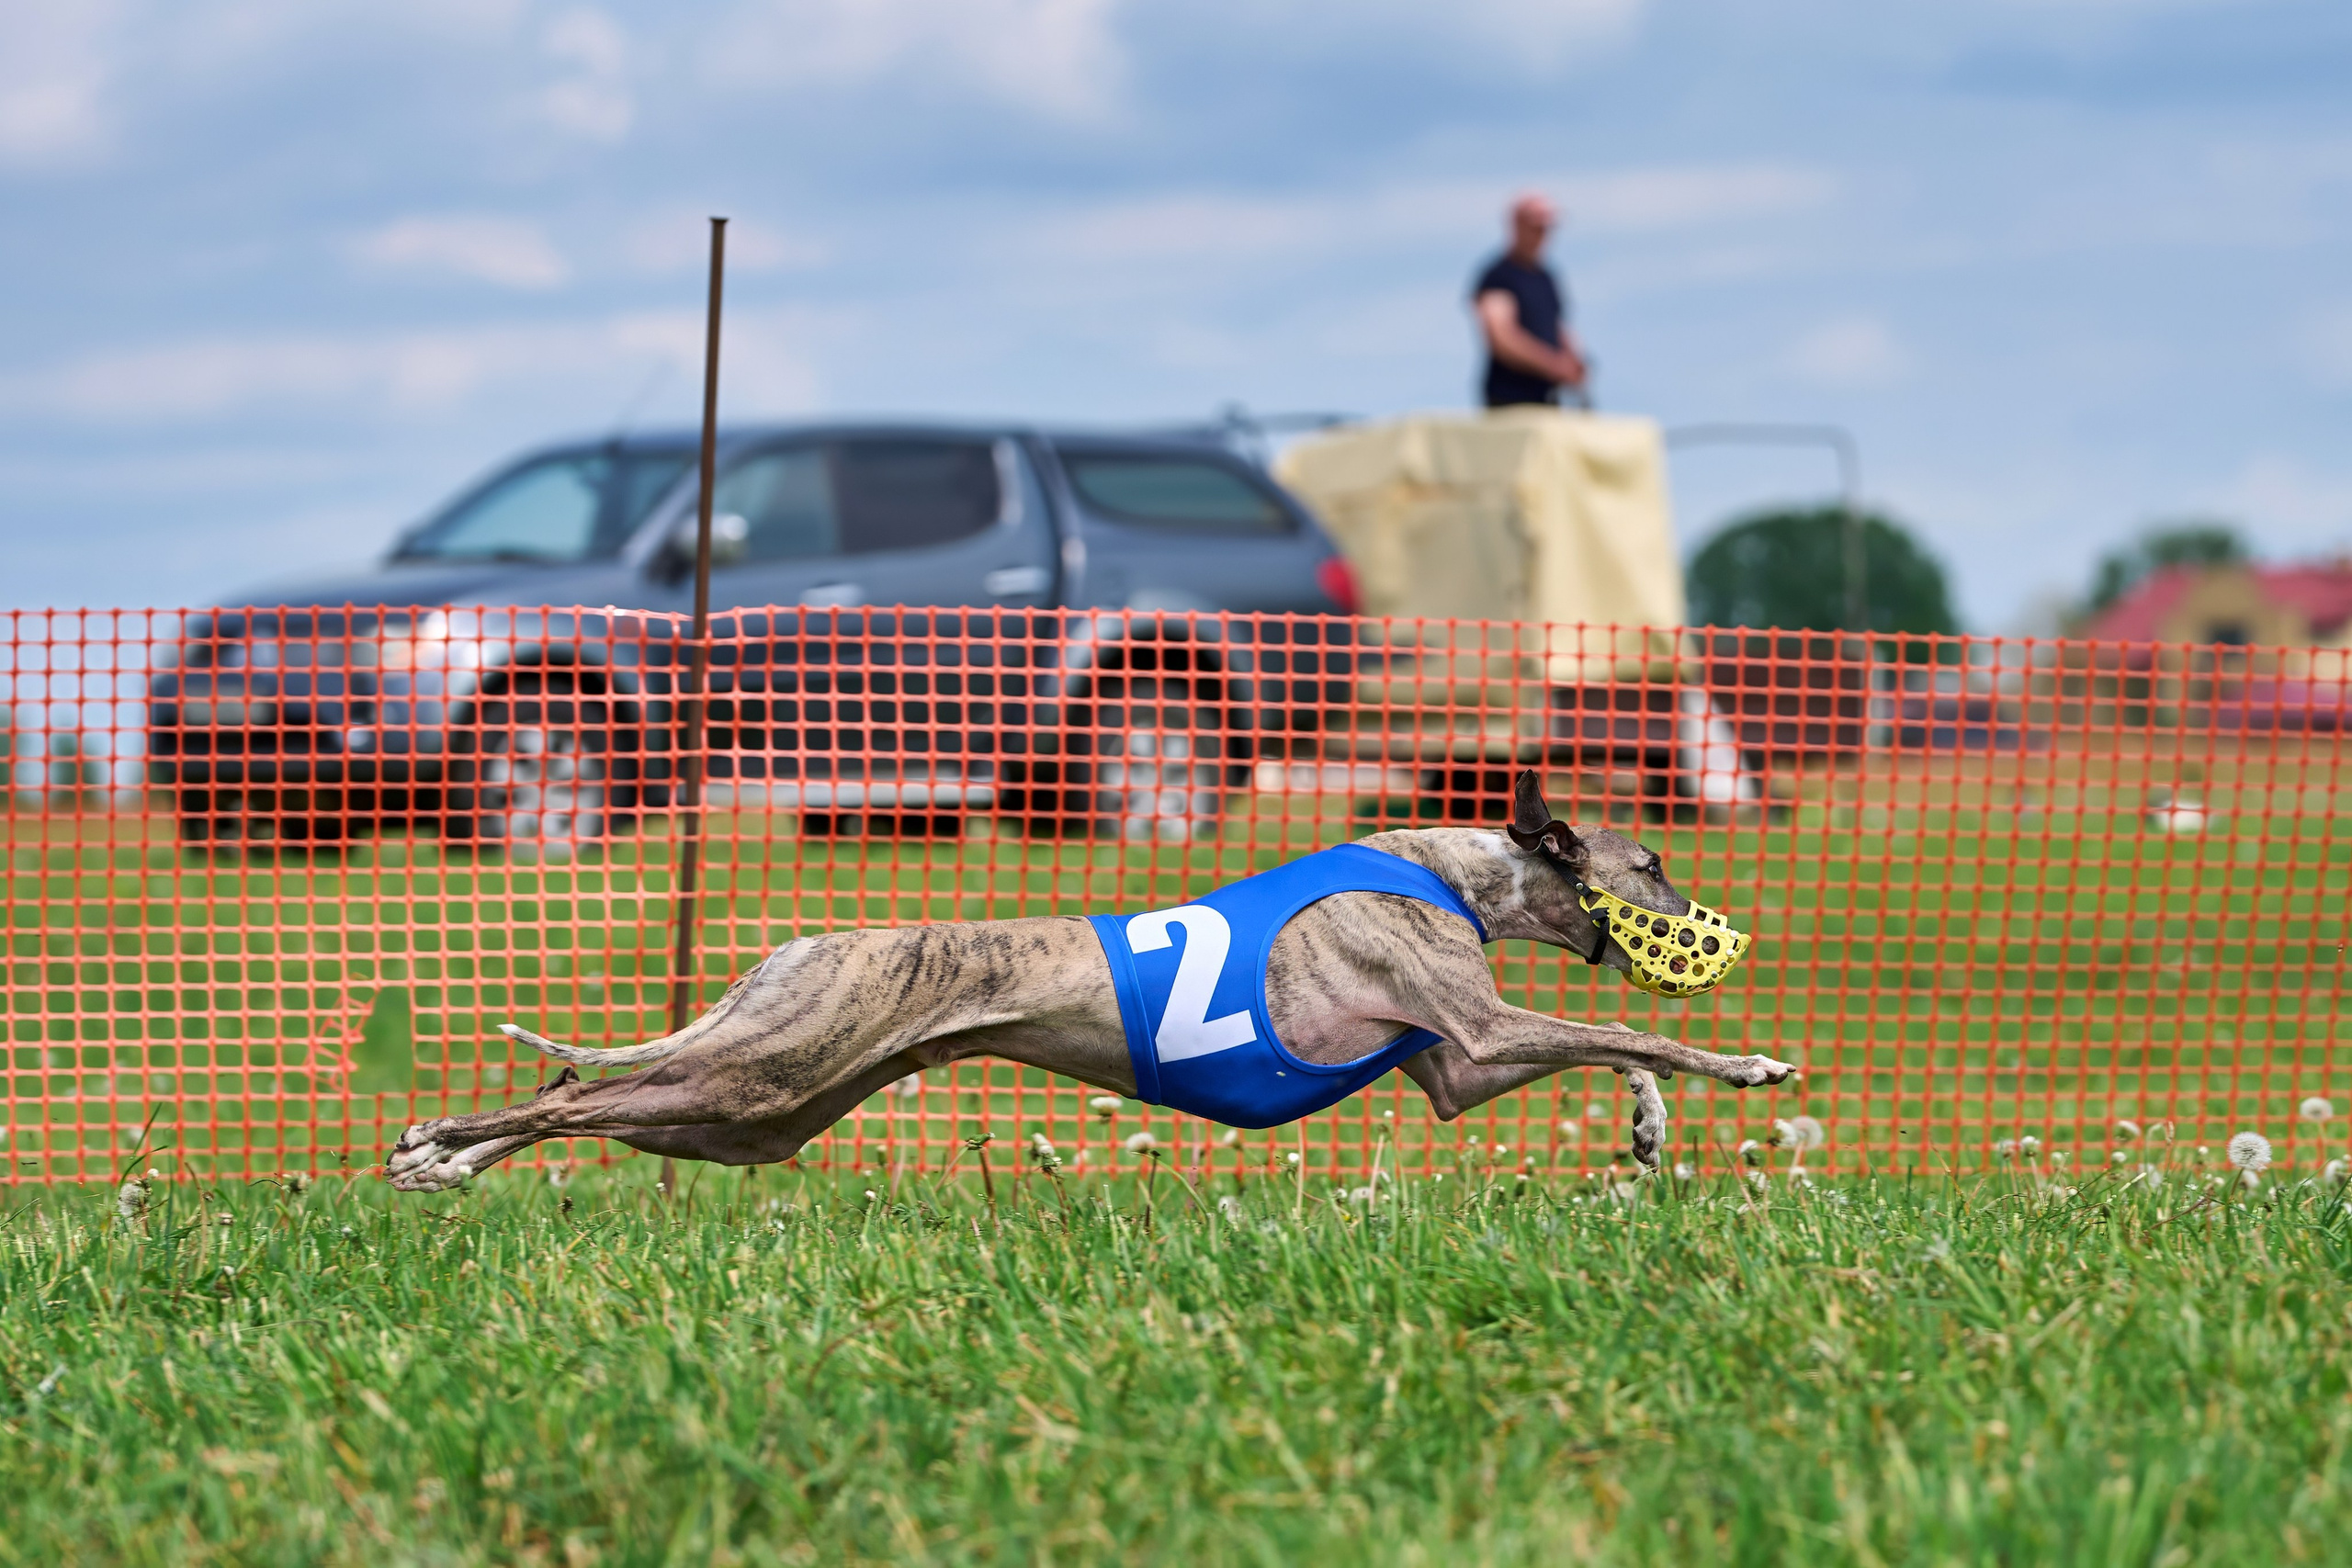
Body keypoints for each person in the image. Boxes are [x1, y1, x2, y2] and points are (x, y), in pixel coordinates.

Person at [1470, 194, 1588, 409]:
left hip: (1549, 396)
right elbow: (1501, 337)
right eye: (1537, 227)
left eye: (1547, 228)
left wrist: (1574, 362)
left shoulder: (1547, 278)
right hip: (1510, 398)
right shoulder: (1498, 275)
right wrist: (1553, 365)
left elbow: (1558, 327)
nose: (1543, 235)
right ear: (1516, 225)